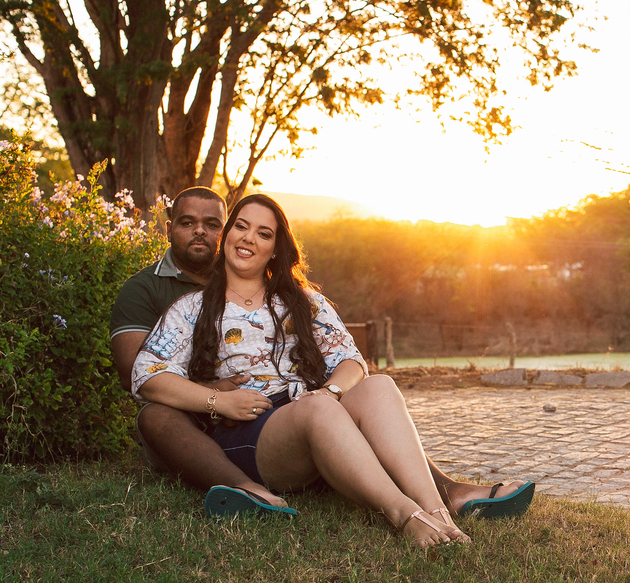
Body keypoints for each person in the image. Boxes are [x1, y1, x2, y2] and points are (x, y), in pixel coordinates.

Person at [111, 187, 532, 521]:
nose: (248, 238)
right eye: (241, 226)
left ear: (276, 248)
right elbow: (146, 375)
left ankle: (441, 509)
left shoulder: (304, 302)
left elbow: (351, 362)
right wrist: (218, 400)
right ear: (228, 237)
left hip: (314, 413)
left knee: (379, 387)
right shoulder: (192, 308)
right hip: (254, 430)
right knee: (316, 410)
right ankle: (406, 516)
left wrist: (330, 392)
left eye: (264, 233)